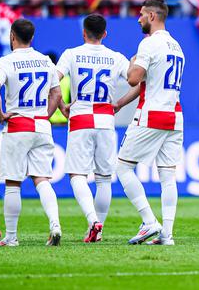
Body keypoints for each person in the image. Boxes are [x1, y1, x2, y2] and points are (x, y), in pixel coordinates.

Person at [114, 0, 185, 246]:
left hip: (152, 114)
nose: (138, 18)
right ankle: (167, 234)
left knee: (122, 167)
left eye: (142, 14)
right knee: (167, 176)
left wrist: (132, 60)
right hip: (174, 115)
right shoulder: (176, 46)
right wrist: (121, 103)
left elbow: (134, 78)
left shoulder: (149, 43)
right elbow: (148, 83)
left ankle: (148, 221)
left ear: (153, 16)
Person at [55, 14, 130, 242]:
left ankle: (92, 220)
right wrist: (120, 103)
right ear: (105, 34)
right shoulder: (115, 57)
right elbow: (137, 79)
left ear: (83, 33)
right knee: (104, 179)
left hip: (81, 117)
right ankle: (98, 230)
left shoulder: (71, 54)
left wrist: (61, 106)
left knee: (77, 175)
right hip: (106, 119)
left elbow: (53, 81)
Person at [0, 19, 62, 247]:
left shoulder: (5, 62)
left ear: (12, 36)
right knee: (42, 179)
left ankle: (11, 237)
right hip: (41, 125)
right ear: (32, 37)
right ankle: (55, 225)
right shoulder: (46, 61)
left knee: (13, 183)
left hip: (18, 125)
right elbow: (57, 94)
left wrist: (1, 114)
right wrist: (45, 116)